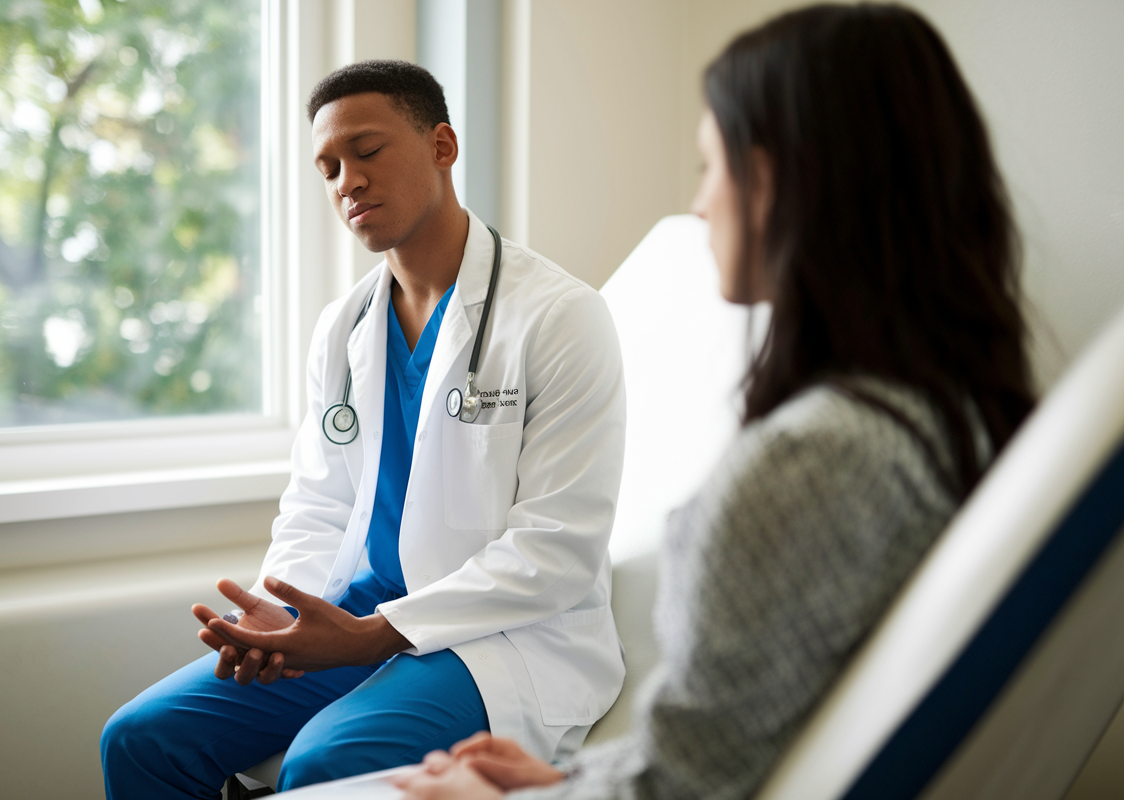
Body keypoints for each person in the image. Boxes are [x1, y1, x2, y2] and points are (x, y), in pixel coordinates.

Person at [394, 4, 1035, 799]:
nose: (698, 206)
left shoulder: (811, 463)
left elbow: (679, 791)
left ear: (767, 180)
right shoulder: (953, 417)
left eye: (709, 167)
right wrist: (563, 777)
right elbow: (725, 744)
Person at [99, 60, 628, 798]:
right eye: (329, 167)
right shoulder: (343, 327)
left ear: (442, 146)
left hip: (495, 637)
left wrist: (376, 634)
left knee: (325, 763)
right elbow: (319, 503)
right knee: (140, 739)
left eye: (368, 151)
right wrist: (279, 611)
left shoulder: (559, 316)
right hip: (354, 616)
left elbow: (559, 548)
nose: (347, 180)